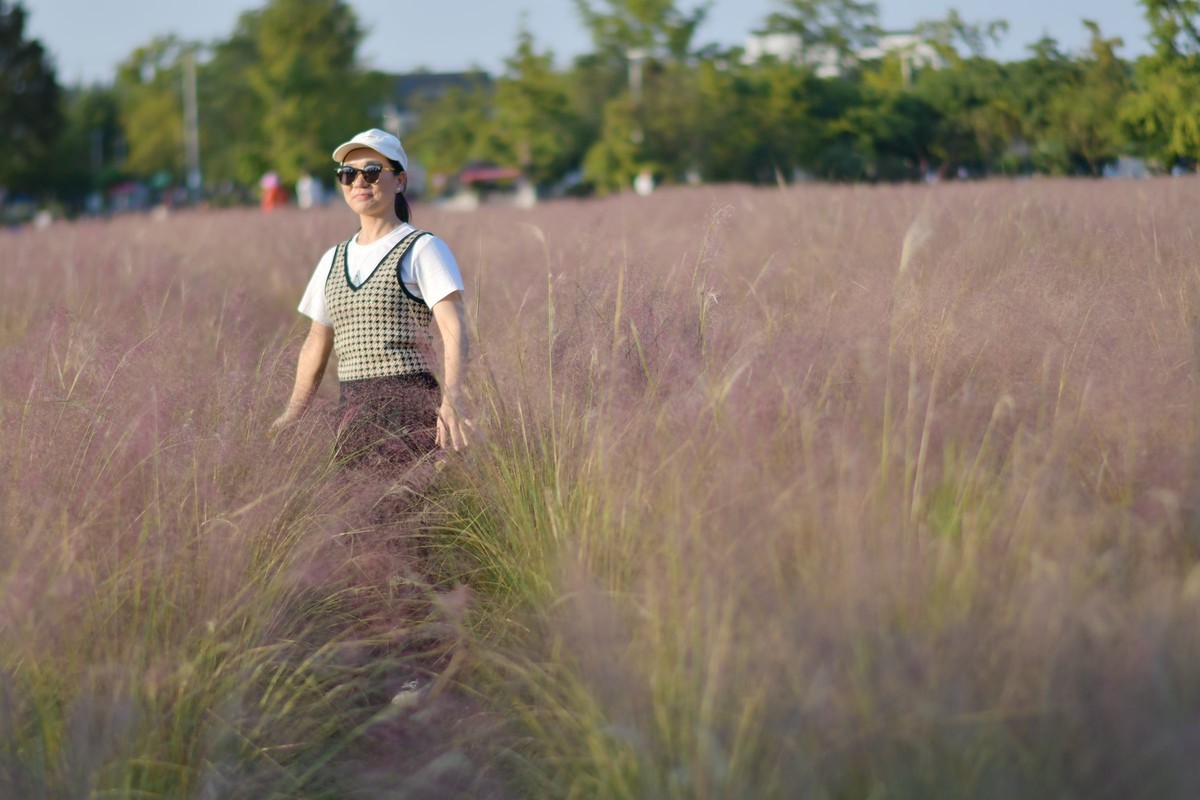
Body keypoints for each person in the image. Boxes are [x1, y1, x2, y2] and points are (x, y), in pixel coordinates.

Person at [272, 128, 472, 465]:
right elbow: (317, 342)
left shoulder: (423, 248)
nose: (359, 182)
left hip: (412, 408)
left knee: (412, 512)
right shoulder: (331, 259)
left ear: (400, 181)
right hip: (352, 413)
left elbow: (455, 329)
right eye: (348, 175)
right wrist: (293, 413)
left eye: (372, 172)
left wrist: (452, 400)